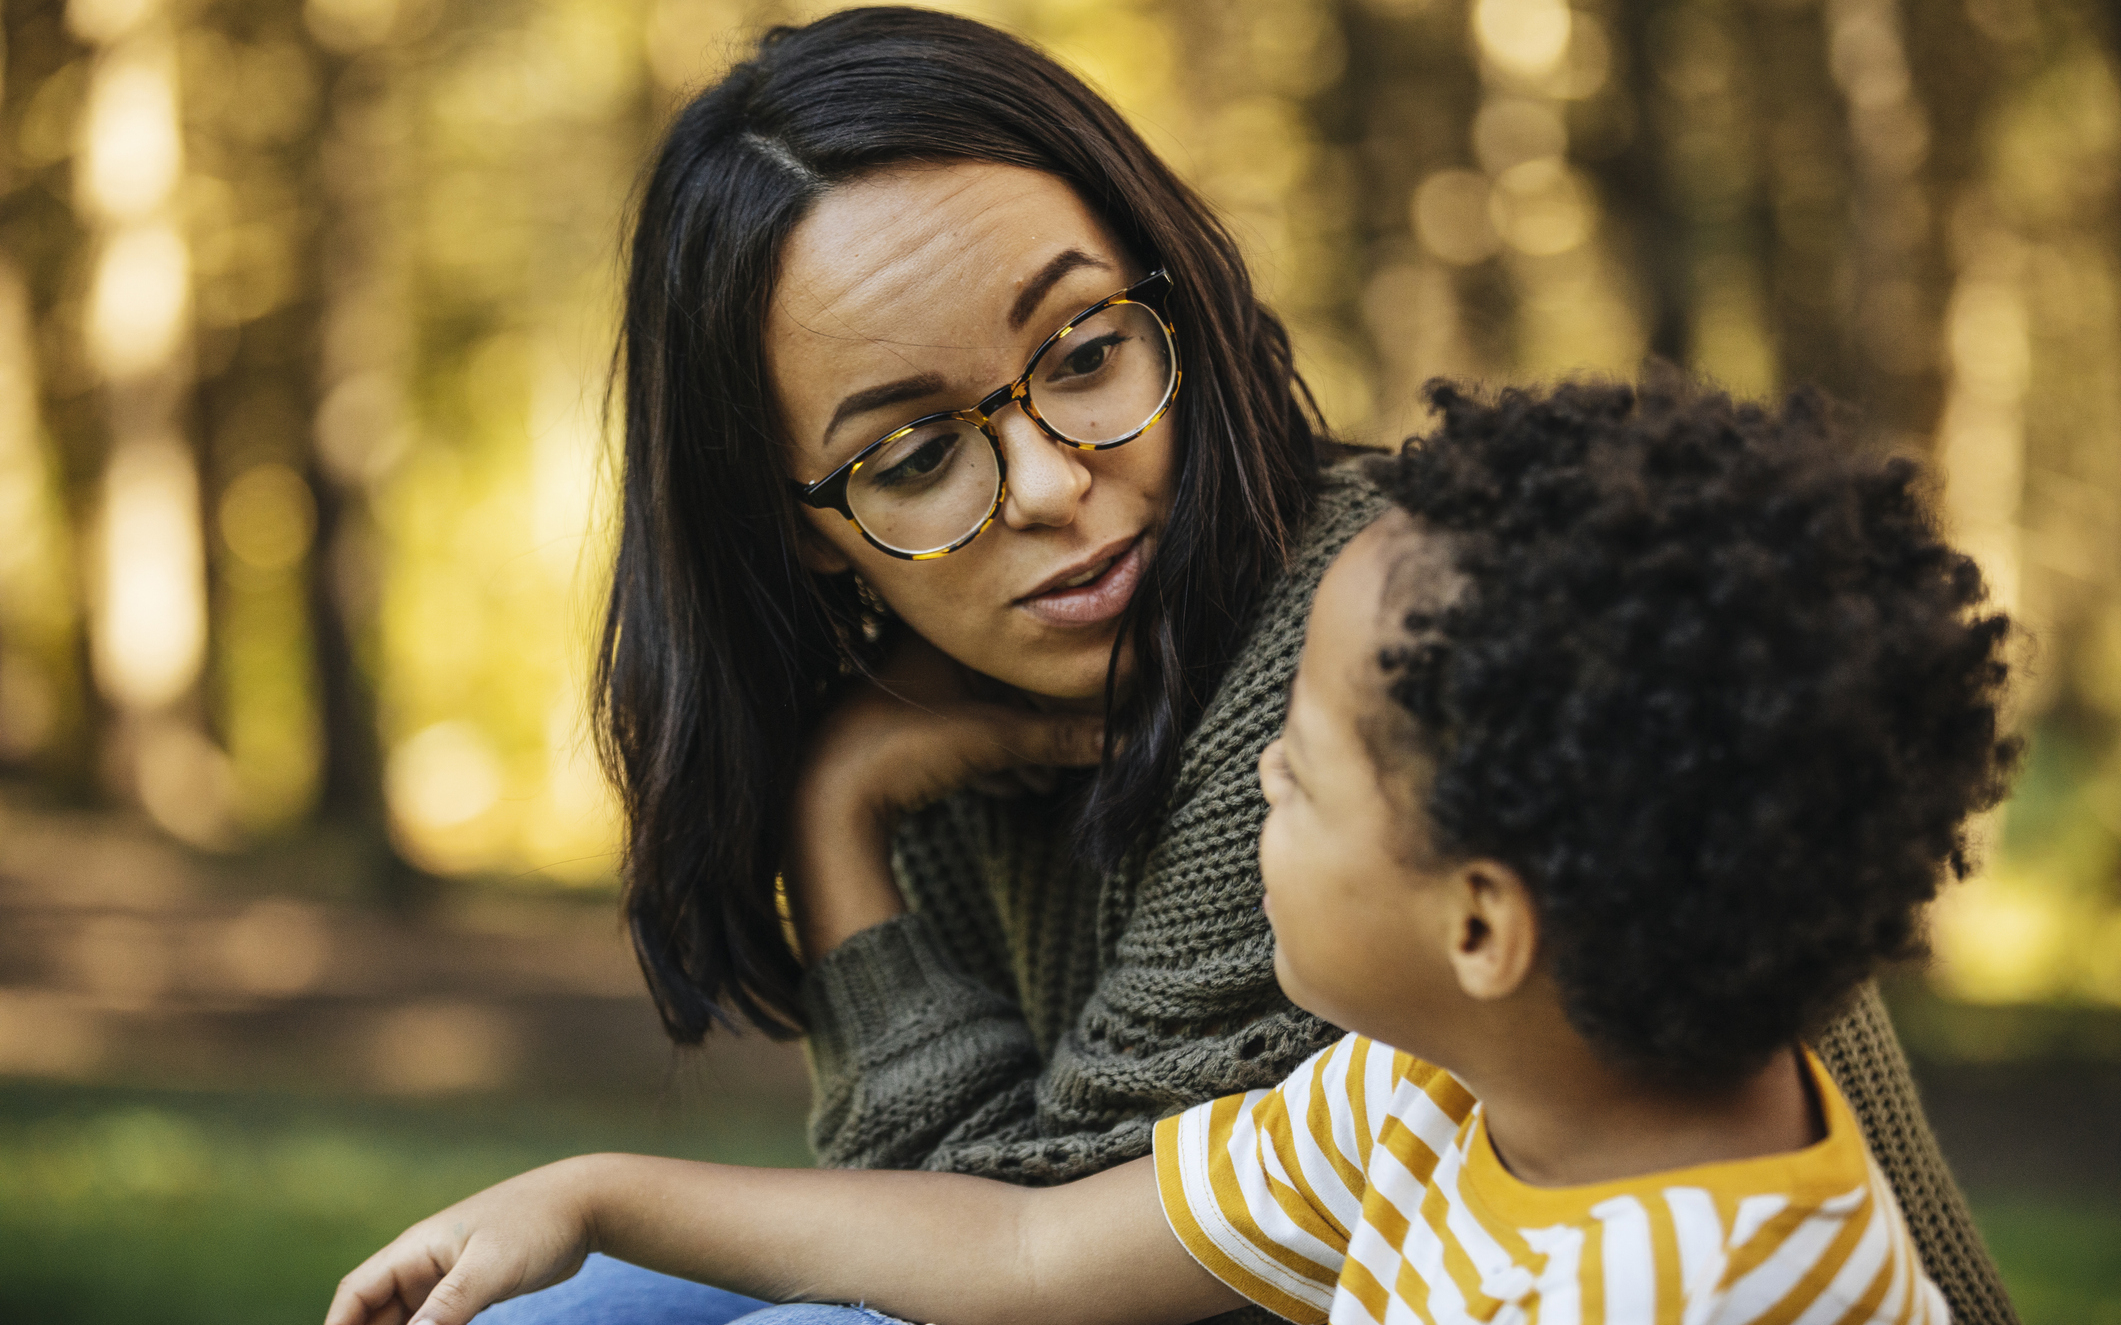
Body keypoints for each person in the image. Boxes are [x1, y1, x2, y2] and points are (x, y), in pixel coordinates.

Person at [481, 7, 2018, 1324]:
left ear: (1176, 301)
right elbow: (1010, 1248)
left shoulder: (1376, 648)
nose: (1045, 484)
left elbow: (1005, 1269)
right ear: (799, 524)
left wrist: (835, 823)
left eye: (1084, 352)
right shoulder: (1390, 1097)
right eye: (914, 450)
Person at [330, 378, 2015, 1325]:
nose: (1251, 774)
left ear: (1483, 922)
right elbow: (1030, 1247)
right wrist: (595, 1192)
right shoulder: (1431, 1087)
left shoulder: (1679, 1292)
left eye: (1298, 768)